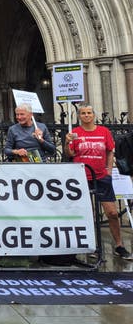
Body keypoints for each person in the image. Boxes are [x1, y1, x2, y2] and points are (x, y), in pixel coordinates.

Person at [66, 103, 132, 260]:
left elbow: (110, 151)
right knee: (88, 214)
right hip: (81, 177)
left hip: (102, 177)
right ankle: (93, 246)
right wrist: (67, 142)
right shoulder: (75, 133)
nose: (86, 115)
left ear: (94, 115)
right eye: (83, 113)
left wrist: (109, 170)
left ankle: (119, 245)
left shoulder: (104, 131)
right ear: (79, 116)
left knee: (112, 213)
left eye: (89, 113)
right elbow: (70, 153)